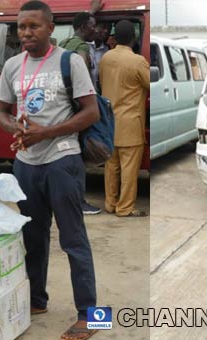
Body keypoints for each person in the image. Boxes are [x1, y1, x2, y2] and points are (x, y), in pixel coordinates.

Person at [0, 0, 99, 340]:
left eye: (34, 26)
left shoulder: (70, 61)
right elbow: (3, 113)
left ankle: (93, 317)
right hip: (27, 164)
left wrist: (47, 132)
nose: (26, 32)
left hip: (62, 159)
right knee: (31, 238)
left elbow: (91, 113)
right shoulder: (12, 65)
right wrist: (16, 129)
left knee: (74, 240)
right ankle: (37, 301)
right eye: (22, 26)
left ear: (51, 28)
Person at [99, 20, 148, 217]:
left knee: (111, 167)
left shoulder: (105, 58)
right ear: (134, 38)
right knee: (129, 170)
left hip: (109, 122)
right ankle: (125, 207)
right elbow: (150, 85)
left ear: (114, 37)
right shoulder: (138, 61)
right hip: (130, 123)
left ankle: (110, 203)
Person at [59, 11, 102, 215]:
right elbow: (82, 80)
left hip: (64, 109)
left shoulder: (65, 42)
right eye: (93, 26)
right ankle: (80, 201)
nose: (97, 29)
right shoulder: (83, 48)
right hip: (79, 110)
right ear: (84, 27)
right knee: (78, 159)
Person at [88, 23, 110, 91]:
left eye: (109, 28)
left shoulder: (107, 51)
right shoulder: (84, 46)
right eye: (103, 27)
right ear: (94, 28)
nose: (106, 31)